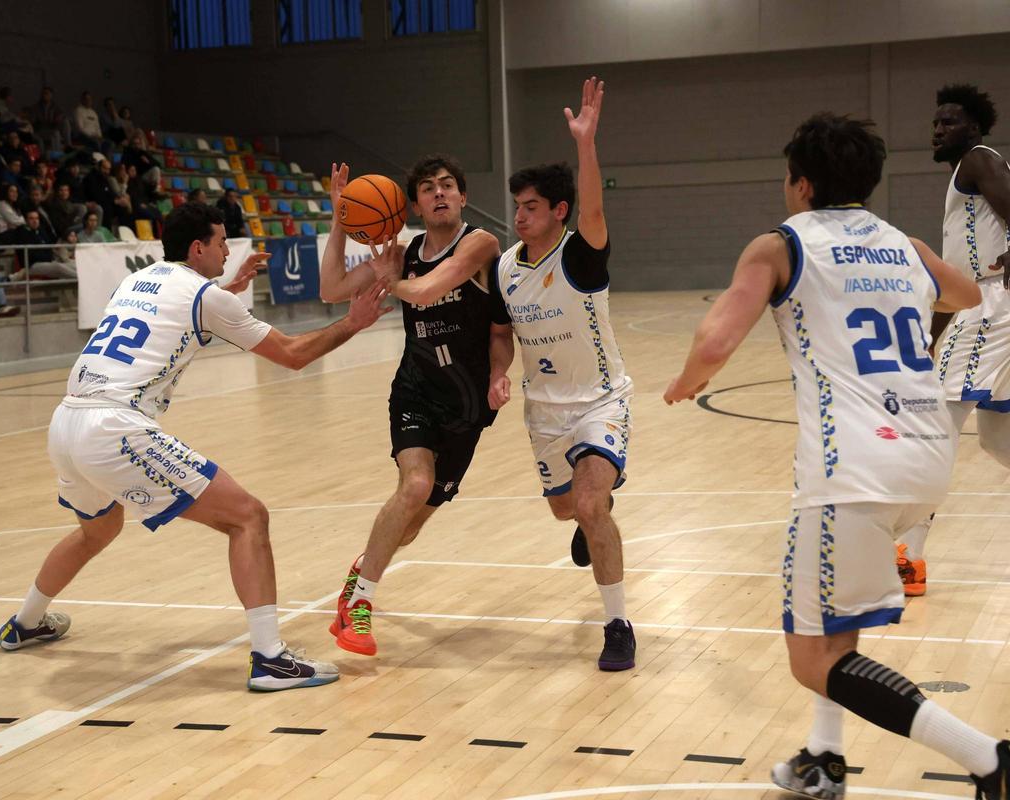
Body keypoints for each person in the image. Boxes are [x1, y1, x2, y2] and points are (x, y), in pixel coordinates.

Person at [662, 111, 1010, 798]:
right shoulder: (905, 244)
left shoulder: (778, 247)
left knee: (810, 658)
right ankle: (823, 758)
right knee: (837, 619)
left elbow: (714, 343)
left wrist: (685, 382)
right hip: (928, 458)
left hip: (852, 467)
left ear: (800, 184)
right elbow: (968, 295)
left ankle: (988, 758)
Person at [0, 202, 393, 692]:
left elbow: (173, 314)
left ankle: (25, 622)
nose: (229, 250)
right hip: (115, 426)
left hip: (66, 421)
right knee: (248, 517)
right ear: (198, 247)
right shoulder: (206, 296)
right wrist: (353, 322)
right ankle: (269, 659)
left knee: (97, 530)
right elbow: (291, 355)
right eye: (223, 242)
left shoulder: (139, 280)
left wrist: (227, 292)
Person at [319, 155, 501, 656]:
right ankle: (360, 608)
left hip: (467, 405)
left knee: (414, 520)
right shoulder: (401, 250)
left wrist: (389, 280)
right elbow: (330, 288)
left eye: (447, 185)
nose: (438, 193)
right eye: (427, 188)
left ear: (463, 196)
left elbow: (425, 292)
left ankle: (360, 569)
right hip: (416, 389)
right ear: (414, 204)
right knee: (414, 484)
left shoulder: (480, 244)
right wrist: (340, 218)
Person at [486, 78, 636, 671]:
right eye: (516, 206)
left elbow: (595, 206)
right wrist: (499, 372)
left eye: (531, 207)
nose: (520, 216)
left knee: (593, 504)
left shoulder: (580, 253)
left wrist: (587, 146)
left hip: (600, 401)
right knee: (568, 510)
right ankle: (586, 519)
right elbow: (500, 333)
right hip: (543, 410)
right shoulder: (503, 268)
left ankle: (618, 624)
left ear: (559, 212)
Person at [894, 84, 1010, 597]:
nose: (938, 129)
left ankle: (908, 560)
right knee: (995, 440)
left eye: (950, 121)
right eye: (936, 121)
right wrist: (930, 339)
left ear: (974, 128)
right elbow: (952, 281)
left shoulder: (979, 160)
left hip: (993, 307)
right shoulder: (966, 181)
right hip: (982, 303)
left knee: (934, 430)